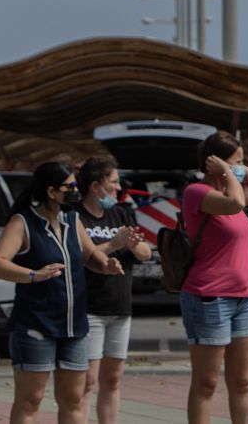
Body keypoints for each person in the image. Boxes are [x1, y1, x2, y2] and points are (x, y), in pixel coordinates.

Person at [0, 161, 124, 424]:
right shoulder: (23, 222)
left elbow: (90, 255)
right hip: (35, 324)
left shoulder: (72, 219)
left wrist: (106, 265)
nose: (75, 191)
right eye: (69, 187)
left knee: (73, 399)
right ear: (51, 192)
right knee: (31, 400)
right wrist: (33, 275)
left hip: (74, 327)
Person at [179, 131, 248, 424]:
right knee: (206, 382)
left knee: (242, 381)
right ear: (214, 163)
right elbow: (236, 204)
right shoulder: (198, 193)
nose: (240, 166)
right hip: (209, 297)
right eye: (236, 161)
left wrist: (241, 169)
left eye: (241, 161)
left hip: (243, 298)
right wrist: (226, 172)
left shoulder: (231, 189)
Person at [75, 155, 152, 424]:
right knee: (87, 379)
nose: (119, 188)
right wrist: (114, 244)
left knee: (113, 378)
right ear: (96, 186)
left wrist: (131, 244)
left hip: (120, 306)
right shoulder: (75, 216)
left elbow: (144, 253)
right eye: (114, 182)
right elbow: (82, 256)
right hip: (89, 308)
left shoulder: (121, 213)